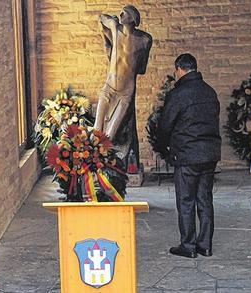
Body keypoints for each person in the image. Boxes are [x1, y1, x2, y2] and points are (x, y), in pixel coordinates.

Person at [156, 53, 221, 258]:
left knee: (186, 200)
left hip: (187, 155)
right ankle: (205, 245)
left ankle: (188, 246)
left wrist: (163, 147)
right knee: (205, 199)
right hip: (209, 154)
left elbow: (165, 125)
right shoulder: (210, 92)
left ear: (179, 70)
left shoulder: (178, 94)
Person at [94, 5, 152, 164]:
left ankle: (109, 166)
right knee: (96, 131)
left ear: (133, 20)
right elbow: (102, 17)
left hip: (126, 94)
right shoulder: (115, 29)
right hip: (108, 89)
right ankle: (94, 166)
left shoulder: (144, 40)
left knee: (110, 135)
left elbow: (142, 69)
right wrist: (111, 22)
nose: (120, 15)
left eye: (125, 13)